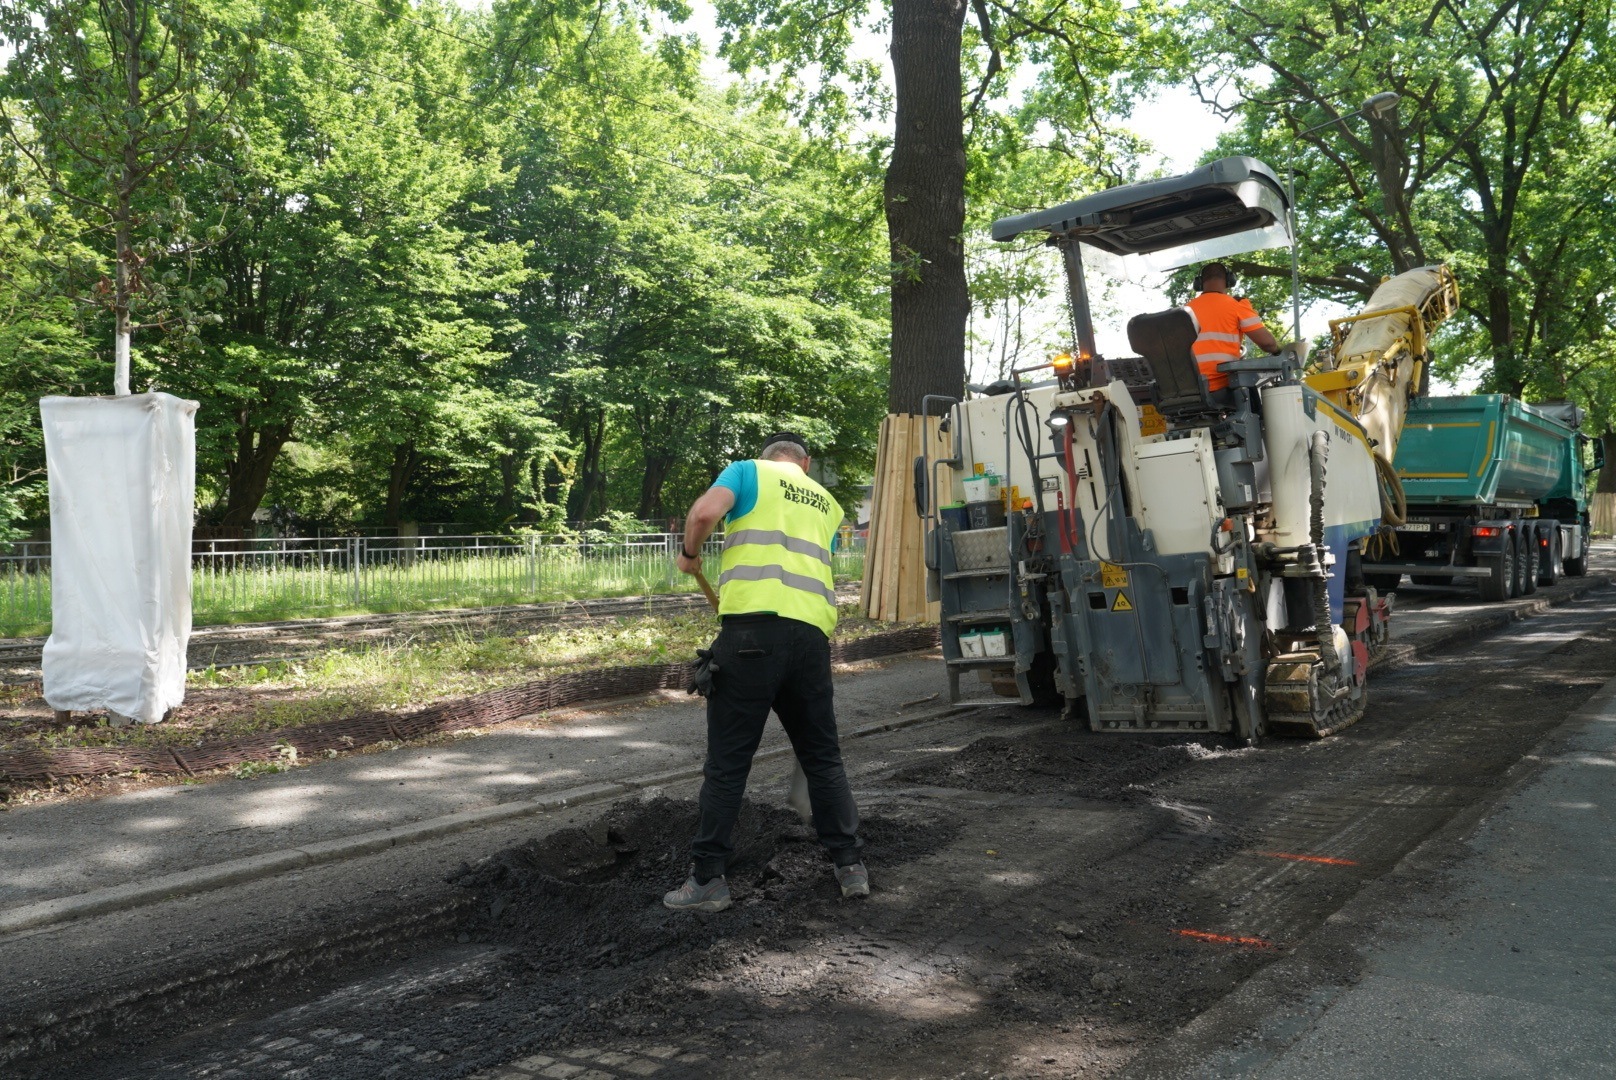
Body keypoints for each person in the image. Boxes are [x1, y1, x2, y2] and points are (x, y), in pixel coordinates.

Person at [663, 432, 867, 912]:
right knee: (822, 758)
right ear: (805, 464)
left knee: (728, 764)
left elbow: (704, 514)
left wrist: (690, 554)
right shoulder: (828, 503)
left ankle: (707, 880)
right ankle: (850, 865)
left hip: (751, 636)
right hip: (811, 640)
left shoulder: (747, 471)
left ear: (768, 457)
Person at [1183, 261, 1281, 392]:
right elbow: (1267, 344)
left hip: (1191, 388)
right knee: (1253, 390)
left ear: (1199, 283)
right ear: (1230, 281)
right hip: (1223, 384)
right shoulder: (1236, 305)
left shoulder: (1184, 310)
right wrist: (1278, 351)